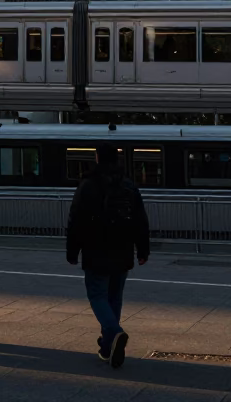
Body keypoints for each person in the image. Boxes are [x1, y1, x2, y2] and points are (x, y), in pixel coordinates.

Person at [66, 141, 150, 369]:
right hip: (122, 249)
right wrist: (143, 250)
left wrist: (72, 251)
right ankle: (107, 347)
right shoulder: (129, 186)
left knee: (97, 295)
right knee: (114, 297)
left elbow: (76, 219)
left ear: (97, 158)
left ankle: (114, 333)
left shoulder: (88, 185)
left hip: (96, 248)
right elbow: (140, 220)